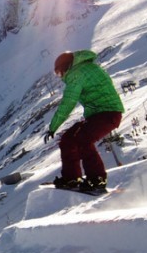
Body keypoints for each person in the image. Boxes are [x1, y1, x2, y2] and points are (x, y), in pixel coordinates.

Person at [45, 49, 125, 193]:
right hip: (99, 114)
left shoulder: (76, 74)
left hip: (107, 114)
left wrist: (53, 127)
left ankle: (97, 180)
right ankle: (71, 178)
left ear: (65, 67)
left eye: (58, 73)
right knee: (68, 139)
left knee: (83, 139)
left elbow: (68, 102)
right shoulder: (87, 68)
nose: (60, 77)